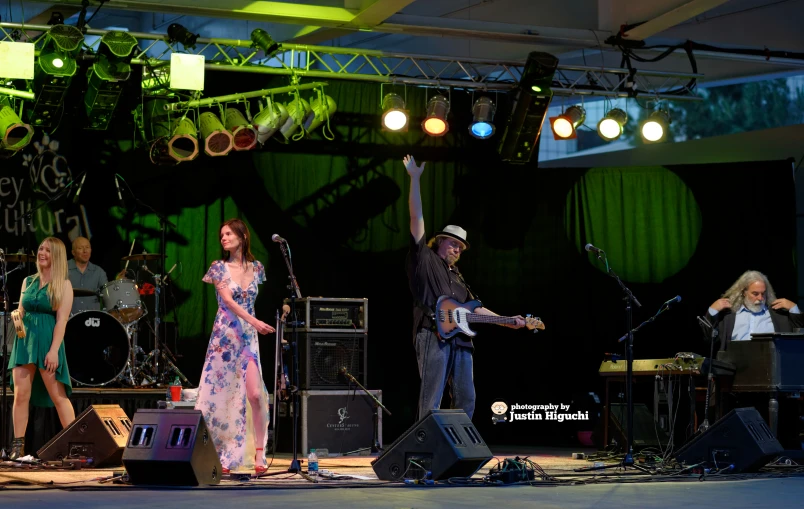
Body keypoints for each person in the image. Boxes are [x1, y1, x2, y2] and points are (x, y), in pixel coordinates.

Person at [404, 155, 525, 421]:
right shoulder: (424, 258)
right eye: (452, 244)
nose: (457, 249)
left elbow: (476, 309)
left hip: (461, 340)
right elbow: (416, 216)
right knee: (431, 398)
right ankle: (426, 450)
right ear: (439, 241)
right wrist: (414, 179)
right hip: (431, 333)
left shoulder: (458, 278)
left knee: (466, 398)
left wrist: (507, 321)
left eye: (460, 247)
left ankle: (458, 451)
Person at [195, 218, 275, 474]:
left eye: (228, 233)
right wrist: (256, 322)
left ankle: (260, 453)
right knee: (223, 397)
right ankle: (222, 454)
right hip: (225, 338)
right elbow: (228, 301)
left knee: (255, 394)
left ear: (242, 236)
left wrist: (257, 324)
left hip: (248, 338)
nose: (224, 238)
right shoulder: (218, 267)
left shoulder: (257, 267)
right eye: (221, 235)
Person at [7, 237, 76, 460]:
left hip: (48, 341)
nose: (42, 253)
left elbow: (62, 321)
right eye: (40, 249)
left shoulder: (63, 285)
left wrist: (54, 350)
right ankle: (18, 448)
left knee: (58, 396)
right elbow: (21, 310)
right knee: (20, 395)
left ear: (56, 255)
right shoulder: (28, 281)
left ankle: (75, 445)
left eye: (47, 250)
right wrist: (17, 318)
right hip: (25, 343)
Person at [702, 270, 804, 350]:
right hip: (735, 370)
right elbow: (710, 340)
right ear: (744, 292)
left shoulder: (778, 315)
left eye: (763, 293)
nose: (760, 298)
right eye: (755, 294)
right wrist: (712, 311)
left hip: (769, 368)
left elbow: (798, 336)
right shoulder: (728, 316)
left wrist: (794, 308)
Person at [67, 236, 108, 315]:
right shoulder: (63, 269)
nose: (85, 251)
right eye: (80, 248)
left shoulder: (99, 272)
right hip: (69, 319)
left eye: (87, 247)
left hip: (93, 320)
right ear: (73, 252)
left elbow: (106, 295)